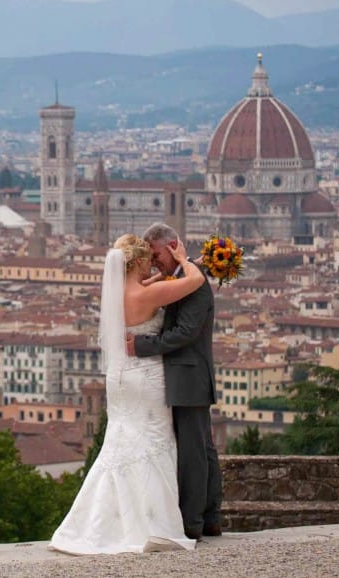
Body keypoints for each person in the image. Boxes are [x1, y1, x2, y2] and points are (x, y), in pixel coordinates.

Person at [49, 233, 205, 555]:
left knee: (119, 443)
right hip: (146, 376)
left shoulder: (122, 293)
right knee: (153, 442)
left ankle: (95, 524)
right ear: (136, 262)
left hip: (119, 379)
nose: (152, 265)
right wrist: (184, 260)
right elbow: (196, 281)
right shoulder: (148, 295)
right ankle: (152, 523)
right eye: (148, 259)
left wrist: (165, 273)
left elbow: (152, 286)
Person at [128, 222, 222, 540]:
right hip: (188, 376)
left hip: (189, 376)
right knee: (203, 449)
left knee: (194, 452)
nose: (154, 261)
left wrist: (142, 346)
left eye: (156, 254)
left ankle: (193, 522)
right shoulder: (181, 277)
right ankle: (209, 516)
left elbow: (184, 333)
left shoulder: (193, 279)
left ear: (172, 246)